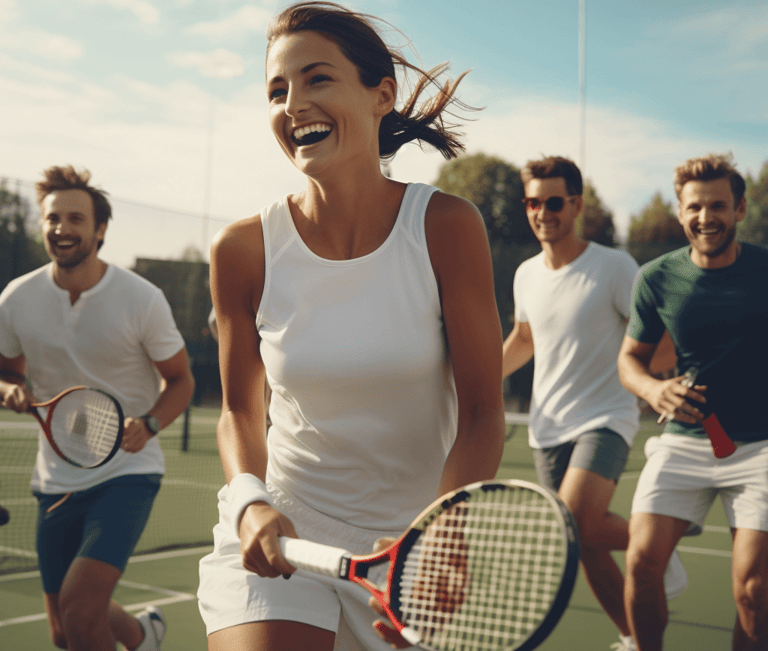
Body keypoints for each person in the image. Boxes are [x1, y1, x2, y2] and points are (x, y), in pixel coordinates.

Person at [196, 2, 505, 650]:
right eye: (277, 90)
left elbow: (481, 413)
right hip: (285, 533)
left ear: (380, 95)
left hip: (407, 547)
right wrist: (251, 497)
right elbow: (240, 413)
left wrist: (443, 532)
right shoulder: (242, 249)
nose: (293, 104)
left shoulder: (447, 227)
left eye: (317, 79)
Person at [0, 165, 195, 651]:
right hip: (54, 479)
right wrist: (9, 390)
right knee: (66, 632)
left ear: (100, 229)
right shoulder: (17, 299)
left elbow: (181, 380)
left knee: (82, 614)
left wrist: (149, 424)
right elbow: (7, 370)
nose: (62, 229)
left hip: (126, 474)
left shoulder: (141, 299)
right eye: (52, 219)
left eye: (75, 219)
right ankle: (145, 637)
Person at [501, 156, 686, 651]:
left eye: (554, 202)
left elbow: (654, 339)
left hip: (606, 418)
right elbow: (523, 337)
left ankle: (654, 543)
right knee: (580, 546)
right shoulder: (525, 275)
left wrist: (654, 383)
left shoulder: (613, 266)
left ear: (576, 205)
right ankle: (632, 638)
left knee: (578, 522)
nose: (542, 212)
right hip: (546, 429)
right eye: (532, 202)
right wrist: (476, 381)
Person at [618, 153, 768, 651]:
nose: (707, 218)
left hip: (761, 449)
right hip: (684, 443)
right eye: (695, 208)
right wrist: (653, 388)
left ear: (740, 209)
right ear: (681, 212)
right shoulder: (655, 278)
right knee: (641, 563)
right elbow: (630, 362)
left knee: (754, 590)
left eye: (718, 206)